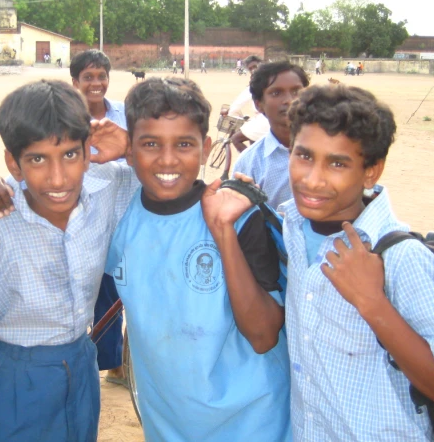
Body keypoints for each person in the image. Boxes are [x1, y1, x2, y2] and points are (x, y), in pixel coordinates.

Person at [283, 84, 434, 441]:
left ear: (371, 171)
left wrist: (372, 303)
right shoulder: (291, 225)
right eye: (304, 156)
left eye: (337, 163)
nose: (312, 179)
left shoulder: (402, 259)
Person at [105, 77, 290, 441]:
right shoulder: (119, 216)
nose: (168, 159)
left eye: (184, 144)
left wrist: (222, 233)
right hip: (168, 424)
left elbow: (264, 335)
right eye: (150, 144)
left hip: (253, 423)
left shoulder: (238, 214)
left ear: (205, 149)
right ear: (129, 150)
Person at [0, 80, 138, 441]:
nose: (58, 177)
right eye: (37, 159)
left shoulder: (107, 186)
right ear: (13, 164)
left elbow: (168, 183)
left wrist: (130, 149)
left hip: (81, 359)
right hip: (15, 370)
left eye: (69, 155)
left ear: (87, 150)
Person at [69, 49, 126, 384]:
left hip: (125, 212)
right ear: (75, 81)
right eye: (88, 77)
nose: (96, 83)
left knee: (124, 288)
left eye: (101, 76)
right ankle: (108, 361)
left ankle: (120, 362)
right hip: (87, 219)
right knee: (100, 291)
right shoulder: (67, 119)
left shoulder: (124, 114)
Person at [233, 61, 310, 209]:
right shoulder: (249, 163)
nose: (289, 100)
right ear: (258, 105)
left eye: (296, 92)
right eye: (276, 93)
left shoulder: (333, 149)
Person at [227, 55, 269, 152]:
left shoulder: (256, 83)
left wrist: (231, 112)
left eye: (255, 67)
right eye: (251, 68)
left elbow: (237, 105)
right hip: (271, 120)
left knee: (236, 139)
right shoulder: (270, 78)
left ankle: (250, 163)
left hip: (265, 120)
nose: (253, 70)